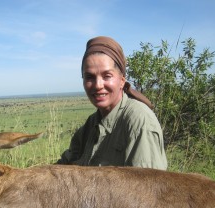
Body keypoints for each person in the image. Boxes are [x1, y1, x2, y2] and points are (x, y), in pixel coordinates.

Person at [57, 36, 167, 170]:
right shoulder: (91, 125)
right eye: (90, 77)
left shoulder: (139, 121)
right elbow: (63, 167)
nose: (98, 85)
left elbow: (148, 186)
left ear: (122, 80)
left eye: (107, 76)